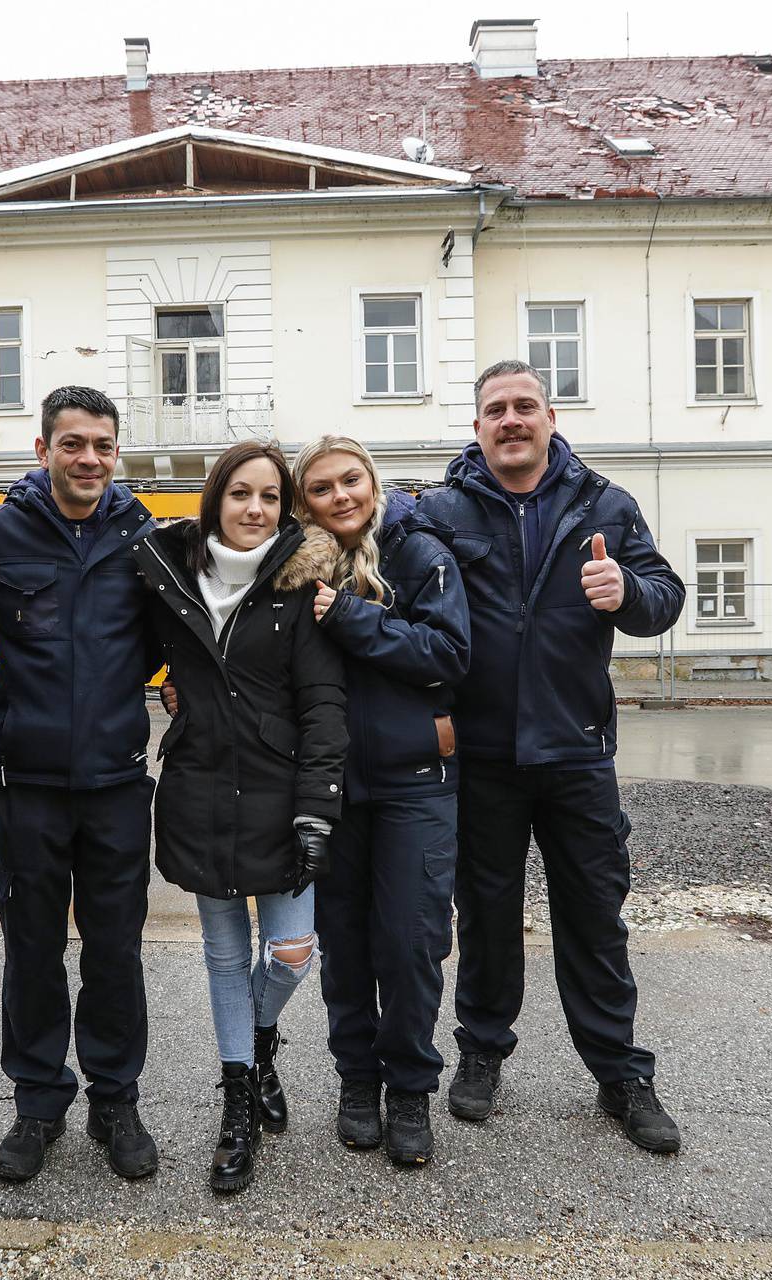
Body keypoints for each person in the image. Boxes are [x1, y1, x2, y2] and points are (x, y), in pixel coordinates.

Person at [417, 359, 688, 1155]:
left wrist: (626, 594)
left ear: (550, 417)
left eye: (524, 406)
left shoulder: (604, 503)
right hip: (484, 755)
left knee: (594, 918)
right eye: (496, 409)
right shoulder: (440, 510)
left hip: (575, 754)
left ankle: (620, 1073)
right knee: (489, 916)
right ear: (477, 427)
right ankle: (481, 1054)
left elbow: (664, 596)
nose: (511, 420)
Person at [136, 441, 347, 1194]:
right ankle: (238, 1101)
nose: (254, 509)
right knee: (225, 955)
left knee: (292, 950)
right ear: (215, 500)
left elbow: (323, 705)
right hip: (197, 794)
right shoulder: (169, 579)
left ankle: (259, 1044)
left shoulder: (300, 587)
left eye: (269, 497)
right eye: (240, 495)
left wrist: (318, 809)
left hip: (280, 797)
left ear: (284, 507)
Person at [0, 386, 161, 1184]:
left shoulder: (144, 536)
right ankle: (38, 1101)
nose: (89, 458)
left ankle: (115, 1099)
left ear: (116, 453)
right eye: (74, 443)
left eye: (103, 445)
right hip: (28, 784)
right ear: (44, 447)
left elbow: (175, 635)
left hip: (118, 782)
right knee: (33, 950)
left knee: (115, 952)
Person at [294, 436, 470, 1168]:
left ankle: (409, 1091)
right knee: (345, 948)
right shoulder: (296, 565)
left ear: (373, 482)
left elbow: (449, 653)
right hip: (334, 784)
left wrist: (351, 618)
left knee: (410, 945)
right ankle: (357, 1083)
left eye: (351, 480)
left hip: (411, 782)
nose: (342, 496)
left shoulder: (417, 550)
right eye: (324, 488)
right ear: (306, 501)